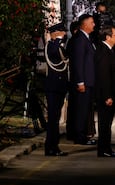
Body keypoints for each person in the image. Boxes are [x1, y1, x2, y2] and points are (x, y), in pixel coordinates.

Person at [94, 25, 115, 157]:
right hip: (106, 95)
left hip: (110, 94)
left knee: (107, 123)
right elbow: (103, 76)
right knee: (104, 123)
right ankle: (104, 149)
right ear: (108, 37)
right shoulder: (103, 52)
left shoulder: (108, 50)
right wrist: (107, 96)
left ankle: (106, 148)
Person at [69, 14, 97, 146]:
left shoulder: (87, 38)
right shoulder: (80, 39)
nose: (94, 25)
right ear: (84, 24)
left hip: (89, 81)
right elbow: (78, 62)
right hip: (83, 82)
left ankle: (83, 134)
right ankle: (79, 136)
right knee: (80, 110)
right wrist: (80, 81)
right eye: (92, 22)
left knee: (85, 110)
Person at [44, 22, 69, 156]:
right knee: (53, 119)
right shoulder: (51, 46)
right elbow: (54, 54)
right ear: (56, 33)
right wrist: (58, 40)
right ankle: (50, 147)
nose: (65, 34)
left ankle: (54, 146)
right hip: (53, 87)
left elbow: (65, 57)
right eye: (62, 32)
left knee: (56, 118)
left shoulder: (60, 46)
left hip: (60, 87)